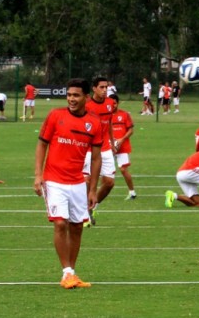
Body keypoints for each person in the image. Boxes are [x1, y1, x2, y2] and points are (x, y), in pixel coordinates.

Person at [34, 78, 102, 289]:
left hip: (78, 182)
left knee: (76, 227)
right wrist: (38, 175)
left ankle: (71, 273)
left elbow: (97, 158)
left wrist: (92, 190)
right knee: (60, 223)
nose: (71, 99)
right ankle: (67, 271)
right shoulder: (55, 116)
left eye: (76, 95)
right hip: (54, 180)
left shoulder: (94, 122)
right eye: (69, 95)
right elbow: (41, 145)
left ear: (86, 98)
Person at [83, 77, 116, 227]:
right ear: (94, 88)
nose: (104, 90)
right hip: (89, 148)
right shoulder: (87, 105)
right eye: (101, 87)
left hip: (105, 148)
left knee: (109, 182)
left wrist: (113, 141)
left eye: (106, 87)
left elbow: (109, 122)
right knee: (87, 180)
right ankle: (84, 213)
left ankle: (93, 205)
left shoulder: (110, 103)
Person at [109, 94, 136, 200]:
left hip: (122, 147)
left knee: (123, 169)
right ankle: (100, 192)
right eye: (111, 103)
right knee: (104, 171)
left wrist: (121, 139)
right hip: (108, 147)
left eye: (114, 103)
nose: (113, 105)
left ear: (118, 103)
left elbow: (131, 130)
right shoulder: (105, 116)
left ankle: (132, 192)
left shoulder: (124, 115)